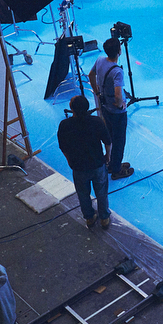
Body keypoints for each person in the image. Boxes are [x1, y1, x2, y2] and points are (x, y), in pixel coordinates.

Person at [57, 95, 113, 229]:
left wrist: (69, 160)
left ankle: (89, 217)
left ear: (72, 108)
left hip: (79, 166)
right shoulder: (96, 122)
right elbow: (108, 141)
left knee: (83, 194)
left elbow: (63, 147)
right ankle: (104, 218)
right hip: (97, 164)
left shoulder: (65, 125)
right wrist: (108, 156)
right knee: (102, 192)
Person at [88, 38, 133, 180]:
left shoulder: (100, 60)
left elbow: (91, 75)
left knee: (111, 136)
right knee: (119, 140)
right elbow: (118, 94)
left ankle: (113, 162)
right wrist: (120, 105)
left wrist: (97, 92)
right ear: (119, 51)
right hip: (116, 112)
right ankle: (116, 169)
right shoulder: (117, 72)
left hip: (105, 106)